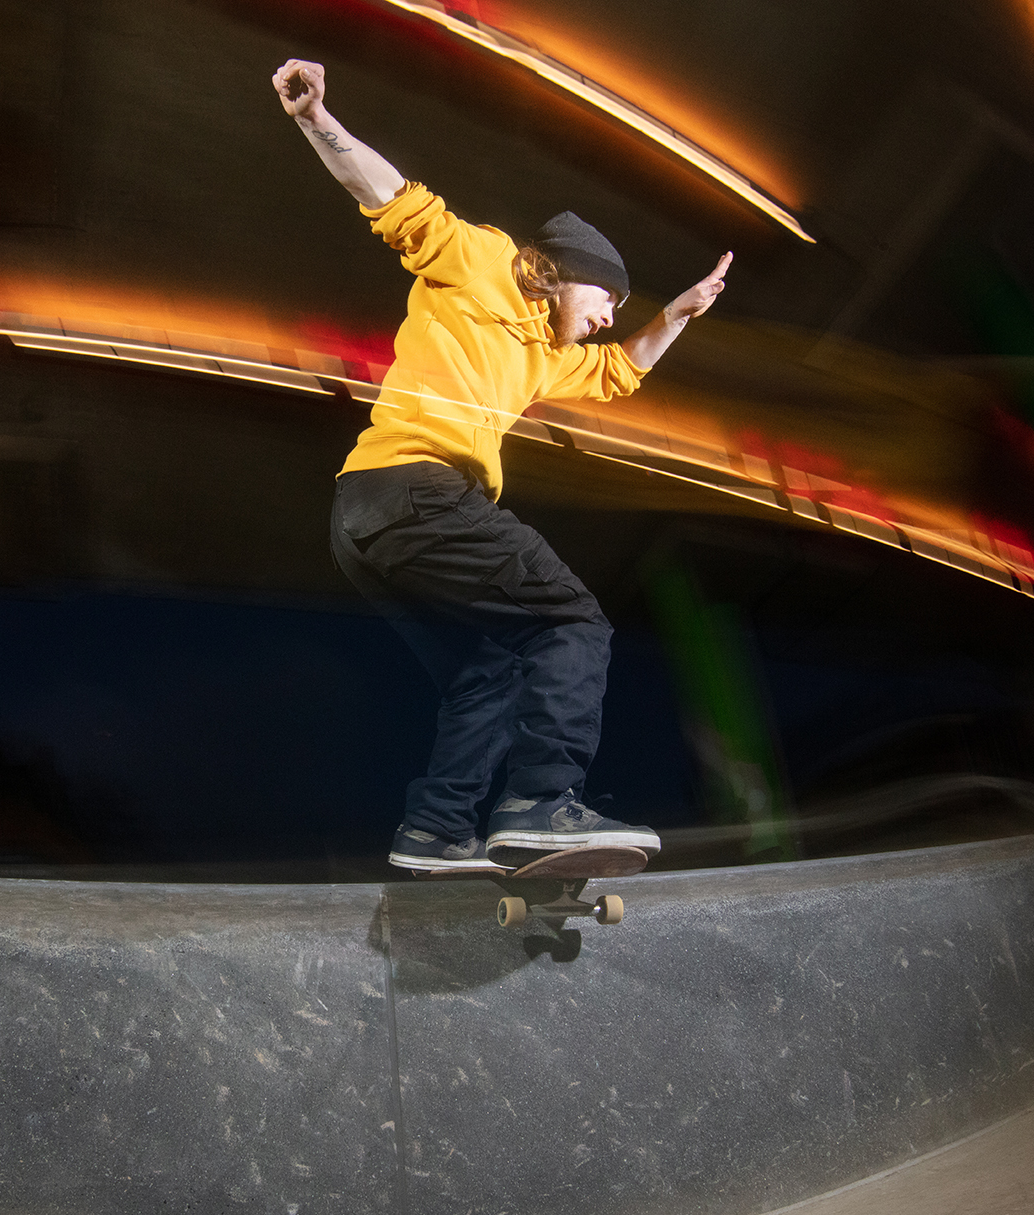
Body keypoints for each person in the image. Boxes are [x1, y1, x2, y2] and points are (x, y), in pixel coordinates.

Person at [271, 58, 733, 878]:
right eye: (605, 302)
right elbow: (393, 200)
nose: (604, 321)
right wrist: (317, 119)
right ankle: (542, 801)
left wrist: (676, 314)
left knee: (485, 673)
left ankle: (433, 831)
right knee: (572, 621)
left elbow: (621, 373)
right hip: (418, 490)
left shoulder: (549, 358)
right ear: (564, 272)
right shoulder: (480, 259)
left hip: (367, 522)